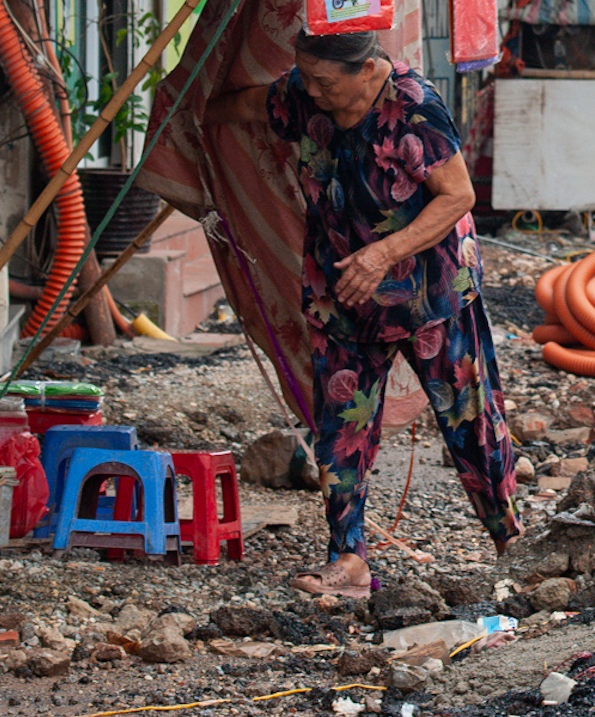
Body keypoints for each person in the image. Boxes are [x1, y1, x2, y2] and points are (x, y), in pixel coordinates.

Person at [214, 30, 522, 598]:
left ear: (368, 69)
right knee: (340, 425)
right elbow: (239, 107)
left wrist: (385, 252)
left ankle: (512, 542)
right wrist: (194, 104)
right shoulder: (301, 96)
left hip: (430, 291)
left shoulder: (413, 107)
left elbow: (457, 196)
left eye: (325, 81)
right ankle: (348, 558)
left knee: (467, 417)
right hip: (344, 295)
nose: (312, 91)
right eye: (305, 77)